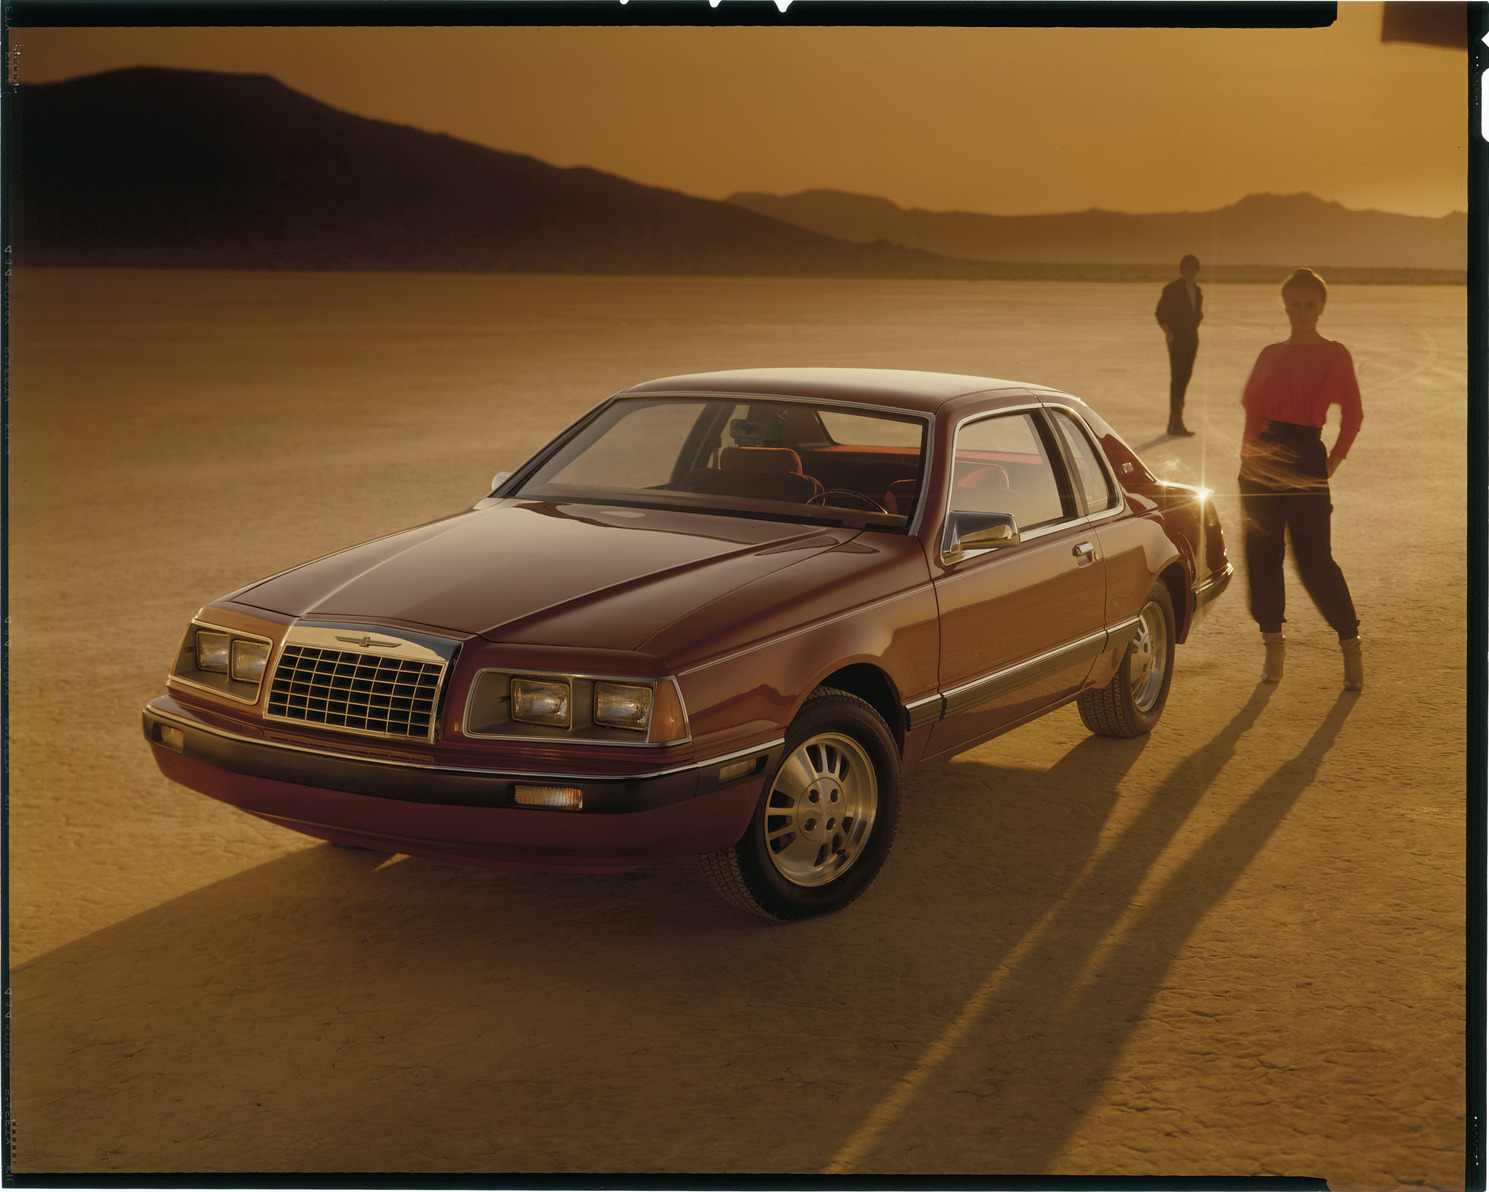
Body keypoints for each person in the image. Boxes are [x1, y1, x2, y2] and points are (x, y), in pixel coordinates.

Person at [1237, 267, 1364, 691]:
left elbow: (1354, 415)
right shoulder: (1270, 353)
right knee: (1262, 553)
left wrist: (1334, 461)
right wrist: (1246, 461)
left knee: (1315, 559)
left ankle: (1351, 645)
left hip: (1308, 455)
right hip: (1263, 458)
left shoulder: (1336, 354)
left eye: (1311, 303)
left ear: (1322, 306)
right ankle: (1273, 645)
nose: (1303, 311)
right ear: (1285, 306)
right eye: (1296, 303)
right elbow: (1254, 413)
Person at [1155, 254, 1203, 436]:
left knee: (1185, 378)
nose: (1191, 269)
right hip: (1177, 339)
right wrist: (1170, 334)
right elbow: (1160, 313)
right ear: (1181, 269)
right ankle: (1176, 424)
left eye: (1194, 266)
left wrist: (1195, 331)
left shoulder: (1197, 290)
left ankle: (1174, 423)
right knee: (1179, 379)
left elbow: (1197, 314)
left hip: (1191, 340)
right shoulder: (1172, 289)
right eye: (1187, 266)